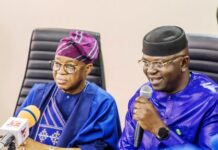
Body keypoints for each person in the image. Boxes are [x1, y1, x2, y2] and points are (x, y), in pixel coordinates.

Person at [16, 30, 121, 149]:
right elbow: (16, 133)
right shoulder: (38, 93)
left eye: (70, 66)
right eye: (57, 64)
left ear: (87, 69)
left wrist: (41, 148)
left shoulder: (103, 103)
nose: (60, 72)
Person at [118, 26, 218, 149]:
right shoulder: (143, 94)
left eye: (159, 63)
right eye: (146, 63)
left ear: (183, 63)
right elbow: (125, 146)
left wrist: (160, 130)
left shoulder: (211, 100)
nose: (150, 70)